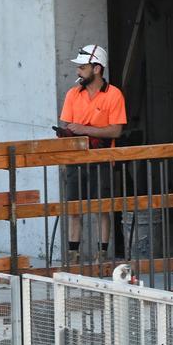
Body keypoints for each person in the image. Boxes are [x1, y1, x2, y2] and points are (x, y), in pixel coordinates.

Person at [57, 44, 127, 263]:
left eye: (82, 67)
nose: (78, 71)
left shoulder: (114, 95)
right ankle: (73, 254)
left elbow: (116, 130)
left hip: (102, 156)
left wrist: (84, 129)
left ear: (97, 69)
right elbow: (68, 124)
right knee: (74, 207)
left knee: (101, 207)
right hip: (75, 157)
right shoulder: (73, 94)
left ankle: (101, 254)